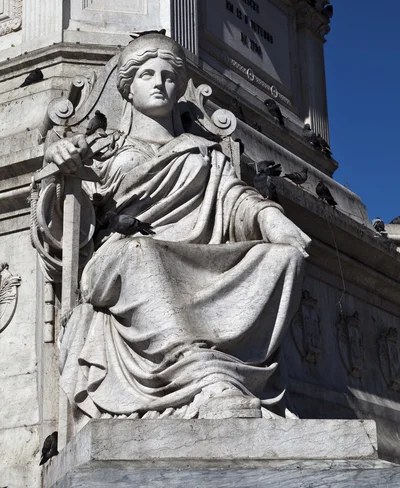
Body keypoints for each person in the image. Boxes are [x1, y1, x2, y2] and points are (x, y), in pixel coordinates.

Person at [45, 33, 310, 425]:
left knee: (280, 257)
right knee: (140, 253)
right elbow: (68, 226)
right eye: (146, 74)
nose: (159, 83)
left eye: (169, 76)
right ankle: (201, 376)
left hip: (199, 257)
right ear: (128, 90)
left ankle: (218, 368)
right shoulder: (103, 149)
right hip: (121, 258)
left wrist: (275, 221)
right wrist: (59, 169)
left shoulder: (202, 150)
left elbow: (235, 200)